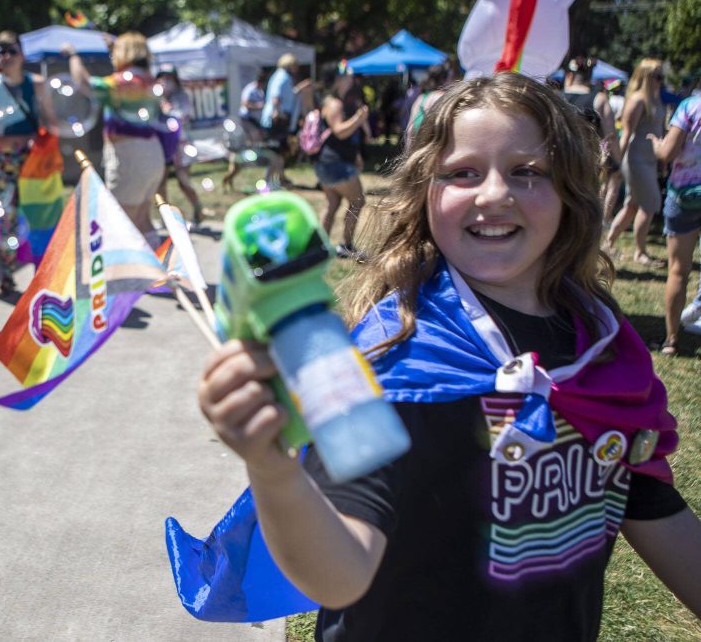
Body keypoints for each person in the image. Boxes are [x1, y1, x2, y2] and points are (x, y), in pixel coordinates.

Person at [197, 72, 701, 638]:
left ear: (569, 191)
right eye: (462, 173)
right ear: (424, 192)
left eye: (527, 172)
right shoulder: (391, 356)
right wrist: (272, 468)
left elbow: (650, 503)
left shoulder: (604, 349)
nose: (493, 194)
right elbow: (339, 575)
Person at [0, 31, 51, 294]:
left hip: (33, 163)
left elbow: (49, 123)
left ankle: (41, 278)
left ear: (22, 54)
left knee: (37, 217)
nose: (6, 57)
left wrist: (34, 141)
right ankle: (8, 276)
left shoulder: (38, 83)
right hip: (2, 162)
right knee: (6, 218)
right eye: (1, 51)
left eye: (11, 51)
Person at [67, 32, 165, 243]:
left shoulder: (122, 82)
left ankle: (129, 274)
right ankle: (157, 271)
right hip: (153, 154)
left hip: (130, 157)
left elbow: (85, 84)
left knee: (120, 223)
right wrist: (115, 47)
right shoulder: (148, 80)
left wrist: (73, 56)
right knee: (141, 219)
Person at [648, 82, 701, 354]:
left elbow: (667, 153)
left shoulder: (689, 107)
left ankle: (671, 341)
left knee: (678, 271)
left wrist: (656, 144)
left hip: (685, 195)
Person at [604, 58, 667, 266]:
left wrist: (663, 159)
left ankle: (608, 243)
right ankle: (640, 252)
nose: (661, 80)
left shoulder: (656, 98)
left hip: (649, 160)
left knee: (632, 205)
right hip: (635, 160)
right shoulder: (638, 100)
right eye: (657, 76)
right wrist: (616, 164)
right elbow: (626, 134)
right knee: (649, 205)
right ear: (646, 76)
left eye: (662, 75)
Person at [315, 65, 369, 260]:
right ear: (337, 80)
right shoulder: (335, 104)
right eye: (345, 76)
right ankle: (345, 246)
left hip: (328, 163)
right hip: (336, 164)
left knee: (332, 203)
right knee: (357, 201)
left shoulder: (331, 102)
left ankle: (320, 248)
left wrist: (356, 155)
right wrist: (358, 118)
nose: (349, 79)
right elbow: (339, 131)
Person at [562, 57, 622, 225]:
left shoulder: (557, 97)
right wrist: (618, 162)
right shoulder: (599, 98)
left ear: (571, 75)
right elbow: (611, 136)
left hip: (561, 158)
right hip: (588, 161)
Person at [155, 67, 205, 224]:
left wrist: (167, 110)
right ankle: (166, 217)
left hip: (180, 145)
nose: (164, 81)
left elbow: (182, 116)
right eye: (161, 78)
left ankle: (198, 211)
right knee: (160, 182)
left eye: (168, 78)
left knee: (183, 182)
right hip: (161, 145)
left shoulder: (181, 97)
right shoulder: (155, 98)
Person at [224, 68, 283, 193]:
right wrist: (259, 106)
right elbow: (245, 104)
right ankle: (252, 150)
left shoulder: (261, 91)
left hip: (256, 121)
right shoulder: (250, 89)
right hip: (247, 119)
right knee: (255, 135)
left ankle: (256, 152)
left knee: (260, 136)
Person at [261, 53, 312, 188]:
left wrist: (300, 88)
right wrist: (277, 112)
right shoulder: (282, 77)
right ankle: (268, 181)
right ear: (289, 65)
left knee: (281, 151)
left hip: (281, 119)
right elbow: (276, 97)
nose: (296, 68)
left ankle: (279, 178)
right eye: (294, 65)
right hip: (277, 120)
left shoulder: (283, 77)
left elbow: (288, 94)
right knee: (276, 152)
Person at [405, 61, 451, 142]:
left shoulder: (421, 98)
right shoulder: (441, 97)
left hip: (418, 148)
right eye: (451, 77)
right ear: (444, 79)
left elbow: (410, 131)